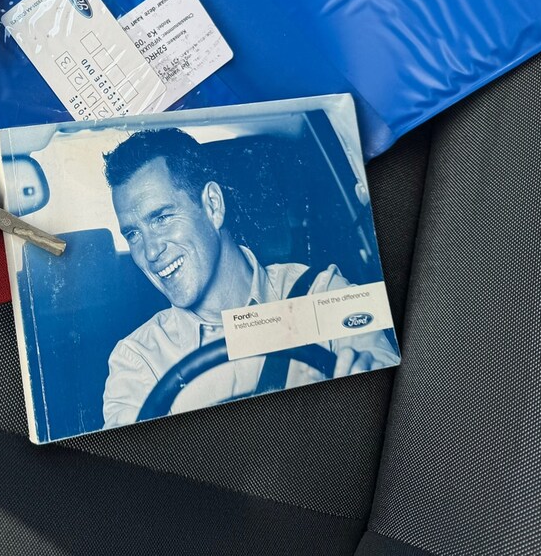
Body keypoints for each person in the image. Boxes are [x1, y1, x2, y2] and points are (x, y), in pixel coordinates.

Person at [100, 129, 398, 427]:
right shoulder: (138, 360)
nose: (150, 252)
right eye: (133, 234)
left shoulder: (320, 292)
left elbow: (396, 400)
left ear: (213, 205)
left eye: (162, 218)